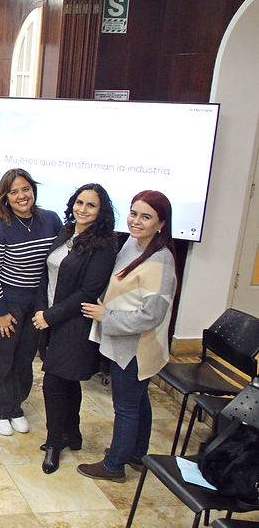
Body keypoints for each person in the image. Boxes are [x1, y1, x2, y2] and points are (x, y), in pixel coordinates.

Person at [77, 190, 177, 482]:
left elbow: (151, 315)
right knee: (138, 401)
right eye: (133, 213)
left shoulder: (161, 261)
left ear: (161, 224)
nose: (136, 221)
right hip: (123, 341)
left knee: (127, 407)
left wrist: (105, 316)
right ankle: (136, 453)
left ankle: (114, 464)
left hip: (136, 348)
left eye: (146, 217)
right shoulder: (133, 244)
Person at [31, 184, 117, 473]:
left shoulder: (104, 244)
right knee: (66, 381)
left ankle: (54, 442)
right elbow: (46, 272)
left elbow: (88, 291)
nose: (82, 209)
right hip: (51, 317)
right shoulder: (67, 233)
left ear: (100, 211)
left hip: (75, 323)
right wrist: (41, 310)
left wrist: (50, 316)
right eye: (79, 202)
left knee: (54, 382)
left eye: (90, 205)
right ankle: (73, 432)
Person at [0, 168, 62, 436]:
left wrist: (44, 306)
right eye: (13, 191)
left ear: (33, 190)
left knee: (25, 359)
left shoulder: (50, 220)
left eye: (25, 188)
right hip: (6, 305)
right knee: (2, 359)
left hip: (38, 304)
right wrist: (1, 312)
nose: (21, 195)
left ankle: (15, 407)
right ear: (5, 196)